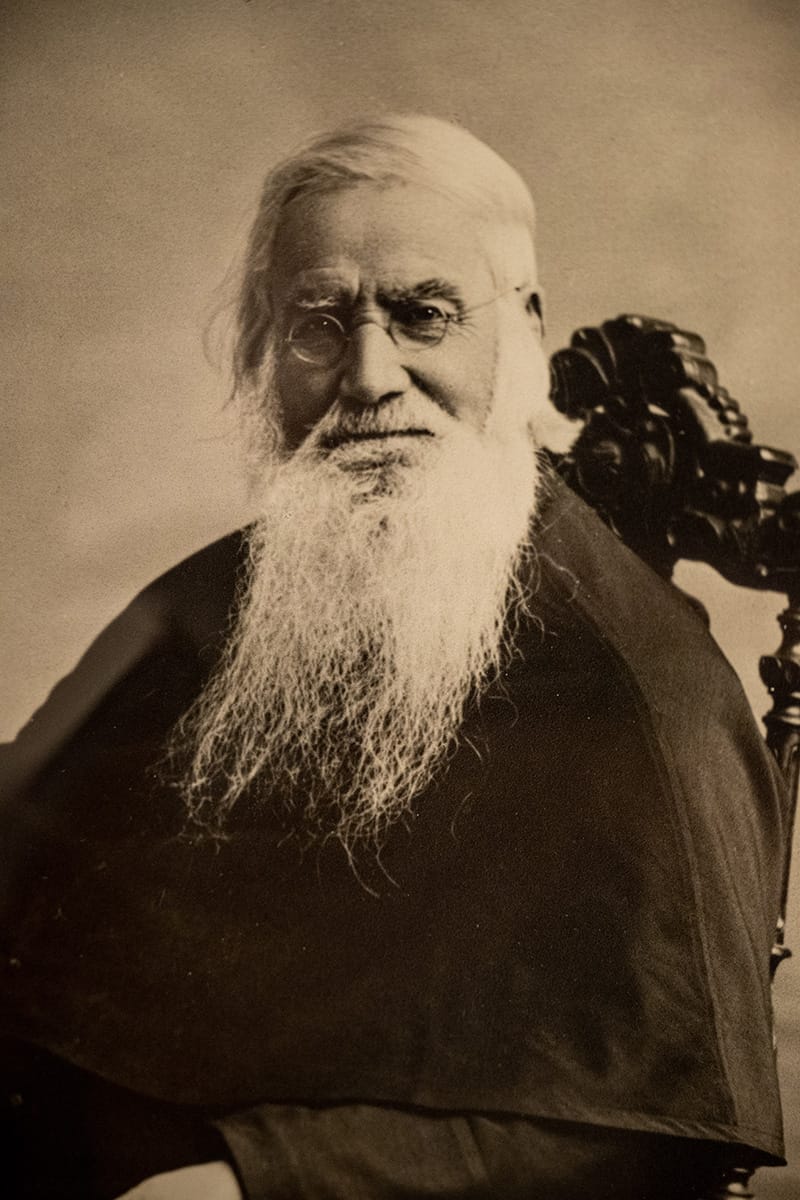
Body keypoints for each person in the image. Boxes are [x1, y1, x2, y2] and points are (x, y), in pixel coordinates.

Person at [0, 115, 787, 1199]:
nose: (368, 376)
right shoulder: (207, 604)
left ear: (523, 333)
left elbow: (639, 1130)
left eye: (424, 315)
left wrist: (259, 1184)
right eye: (317, 326)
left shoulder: (645, 694)